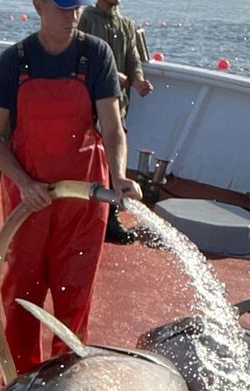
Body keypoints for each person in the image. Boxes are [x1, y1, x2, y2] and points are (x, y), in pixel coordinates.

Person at [0, 0, 144, 375]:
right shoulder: (15, 61)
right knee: (22, 295)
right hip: (29, 200)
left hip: (83, 201)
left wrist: (118, 175)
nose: (72, 14)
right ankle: (20, 382)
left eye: (77, 5)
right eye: (62, 5)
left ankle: (64, 383)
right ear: (39, 5)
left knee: (74, 299)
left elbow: (113, 127)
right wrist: (24, 183)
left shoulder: (95, 54)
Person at [78, 0, 151, 244]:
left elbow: (133, 59)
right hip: (87, 103)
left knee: (112, 165)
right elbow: (77, 53)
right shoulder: (86, 19)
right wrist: (109, 74)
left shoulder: (126, 25)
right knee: (84, 161)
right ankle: (80, 216)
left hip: (116, 105)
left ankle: (110, 219)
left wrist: (138, 81)